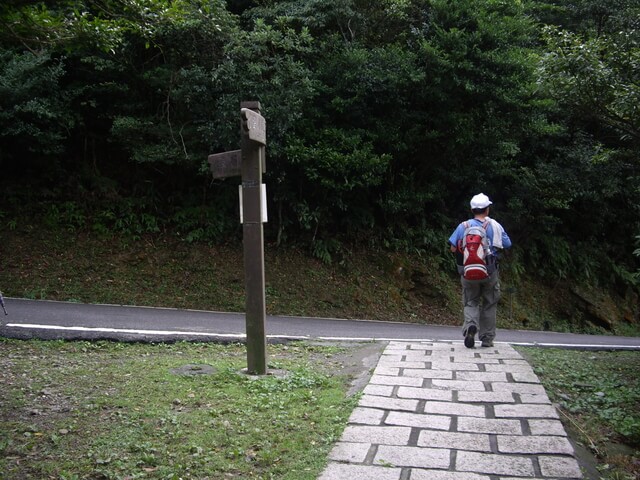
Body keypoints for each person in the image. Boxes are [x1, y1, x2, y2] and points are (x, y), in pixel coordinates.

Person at [448, 193, 511, 348]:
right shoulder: (495, 225)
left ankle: (471, 326)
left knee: (470, 301)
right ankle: (487, 338)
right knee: (490, 303)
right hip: (490, 271)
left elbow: (452, 247)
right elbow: (507, 244)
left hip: (468, 271)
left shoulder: (463, 226)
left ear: (472, 209)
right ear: (487, 209)